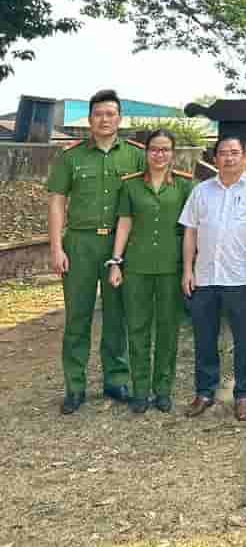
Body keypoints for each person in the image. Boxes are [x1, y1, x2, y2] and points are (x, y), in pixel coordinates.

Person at [47, 89, 146, 414]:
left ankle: (116, 380)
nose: (104, 119)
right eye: (99, 114)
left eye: (110, 114)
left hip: (120, 245)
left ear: (120, 119)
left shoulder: (135, 156)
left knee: (117, 315)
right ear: (89, 119)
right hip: (80, 244)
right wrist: (56, 247)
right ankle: (75, 386)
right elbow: (57, 202)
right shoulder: (70, 157)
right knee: (78, 316)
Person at [108, 129, 194, 414]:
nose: (159, 154)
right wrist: (116, 262)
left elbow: (191, 229)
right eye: (154, 149)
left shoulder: (184, 185)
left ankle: (163, 390)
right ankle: (141, 390)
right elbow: (124, 223)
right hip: (137, 266)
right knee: (137, 328)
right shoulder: (130, 185)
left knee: (168, 329)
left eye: (165, 149)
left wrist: (190, 267)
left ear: (173, 153)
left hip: (171, 267)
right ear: (146, 152)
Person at [179, 136, 246, 421]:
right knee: (204, 337)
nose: (229, 158)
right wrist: (187, 270)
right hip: (205, 277)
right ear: (215, 159)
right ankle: (204, 392)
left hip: (241, 277)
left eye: (235, 153)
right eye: (223, 153)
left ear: (244, 157)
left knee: (244, 339)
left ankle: (244, 395)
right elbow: (190, 231)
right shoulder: (201, 191)